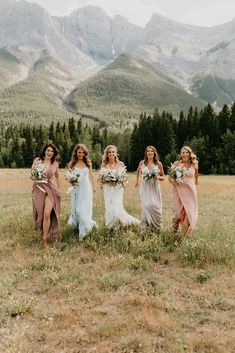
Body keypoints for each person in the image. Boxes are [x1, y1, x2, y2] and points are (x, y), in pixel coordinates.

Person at [99, 145, 140, 231]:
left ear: (115, 153)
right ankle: (110, 226)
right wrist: (107, 181)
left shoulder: (121, 164)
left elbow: (124, 177)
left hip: (118, 189)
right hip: (109, 189)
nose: (111, 153)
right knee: (109, 207)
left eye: (113, 152)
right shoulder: (104, 164)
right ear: (106, 154)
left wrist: (120, 180)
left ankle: (118, 225)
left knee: (117, 207)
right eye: (109, 152)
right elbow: (101, 178)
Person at [31, 143, 61, 245]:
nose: (50, 153)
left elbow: (56, 177)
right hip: (39, 188)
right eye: (48, 150)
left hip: (51, 189)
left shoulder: (55, 163)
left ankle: (45, 239)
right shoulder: (37, 161)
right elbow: (32, 176)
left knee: (47, 213)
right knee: (40, 214)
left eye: (52, 151)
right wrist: (37, 175)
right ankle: (44, 232)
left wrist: (58, 190)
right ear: (44, 151)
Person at [67, 143, 97, 239]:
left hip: (86, 189)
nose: (81, 154)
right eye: (79, 152)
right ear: (76, 153)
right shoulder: (72, 163)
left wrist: (94, 187)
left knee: (84, 209)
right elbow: (69, 176)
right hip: (77, 189)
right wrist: (72, 182)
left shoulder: (88, 163)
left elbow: (91, 175)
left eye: (82, 152)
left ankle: (83, 232)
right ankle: (80, 225)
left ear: (85, 153)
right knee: (77, 209)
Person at [168, 145, 198, 235]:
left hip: (190, 192)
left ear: (190, 154)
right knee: (177, 214)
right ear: (180, 154)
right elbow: (170, 178)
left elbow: (196, 175)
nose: (185, 154)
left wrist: (195, 182)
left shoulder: (194, 164)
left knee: (189, 212)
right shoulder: (176, 164)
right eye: (183, 152)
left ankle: (183, 236)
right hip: (178, 191)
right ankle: (174, 232)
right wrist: (175, 182)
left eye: (187, 152)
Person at [135, 146, 164, 232]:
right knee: (147, 205)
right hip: (145, 187)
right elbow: (137, 172)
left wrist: (157, 177)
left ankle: (157, 225)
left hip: (154, 187)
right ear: (146, 153)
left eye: (152, 151)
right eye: (148, 151)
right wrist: (137, 181)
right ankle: (147, 224)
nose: (150, 153)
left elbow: (163, 177)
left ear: (154, 153)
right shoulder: (142, 163)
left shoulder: (159, 164)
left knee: (155, 206)